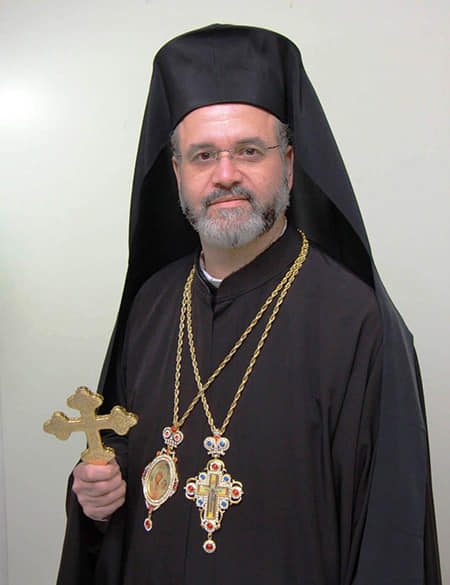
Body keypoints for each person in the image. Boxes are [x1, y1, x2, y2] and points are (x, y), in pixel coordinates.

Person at [56, 25, 441, 585]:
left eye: (249, 151)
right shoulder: (152, 304)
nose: (226, 175)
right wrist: (96, 493)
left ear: (289, 163)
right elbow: (124, 463)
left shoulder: (358, 322)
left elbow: (390, 537)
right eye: (203, 155)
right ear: (177, 173)